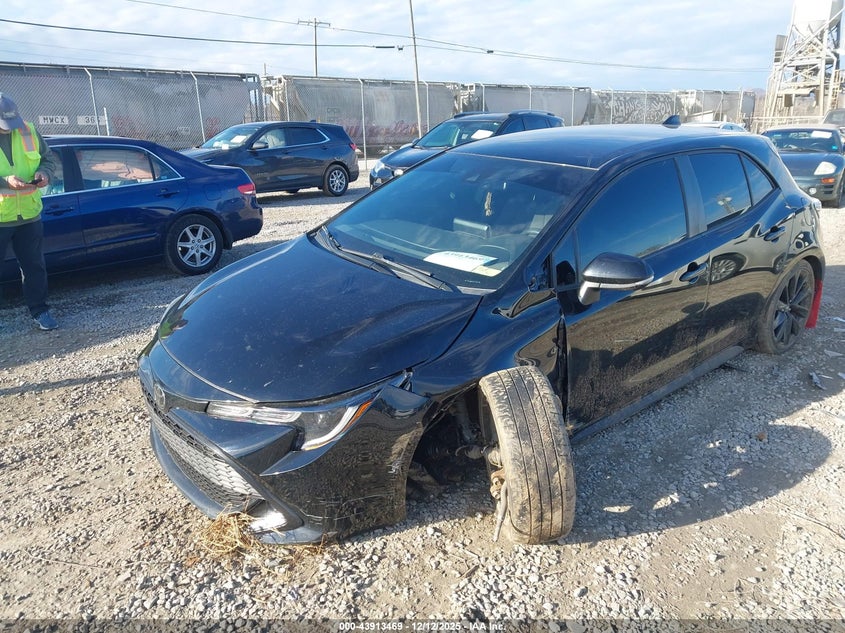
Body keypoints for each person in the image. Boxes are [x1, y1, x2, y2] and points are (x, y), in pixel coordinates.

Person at [0, 92, 59, 330]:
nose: (9, 129)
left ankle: (40, 310)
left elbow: (48, 159)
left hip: (29, 214)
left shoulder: (28, 130)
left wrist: (45, 173)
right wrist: (5, 181)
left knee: (34, 266)